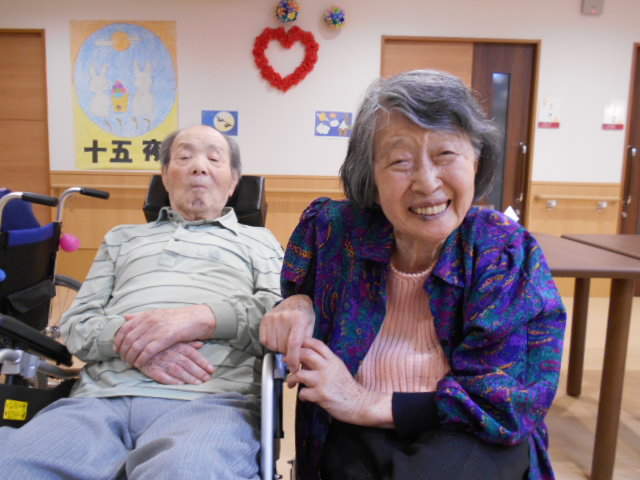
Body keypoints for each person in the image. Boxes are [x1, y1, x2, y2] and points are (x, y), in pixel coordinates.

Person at [260, 70, 566, 480]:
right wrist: (298, 303)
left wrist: (363, 401)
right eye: (400, 161)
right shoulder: (334, 233)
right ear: (371, 175)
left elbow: (507, 401)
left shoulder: (501, 251)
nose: (426, 182)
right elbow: (296, 294)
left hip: (472, 435)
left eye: (446, 154)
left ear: (476, 160)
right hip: (353, 433)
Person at [0, 125, 283, 479]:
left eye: (214, 159)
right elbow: (76, 326)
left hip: (211, 400)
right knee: (12, 467)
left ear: (233, 181)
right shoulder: (122, 238)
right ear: (165, 176)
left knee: (186, 471)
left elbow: (278, 316)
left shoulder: (260, 241)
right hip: (98, 401)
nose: (199, 166)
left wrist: (199, 318)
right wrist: (141, 343)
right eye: (184, 157)